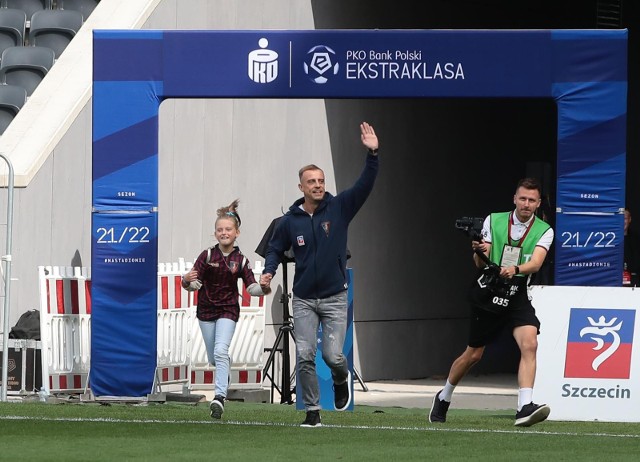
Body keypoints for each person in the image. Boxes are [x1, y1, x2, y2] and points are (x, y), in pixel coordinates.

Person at [260, 122, 380, 428]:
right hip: (302, 299)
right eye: (311, 181)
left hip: (334, 297)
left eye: (321, 180)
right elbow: (274, 249)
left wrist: (373, 153)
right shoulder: (289, 221)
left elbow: (364, 185)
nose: (317, 185)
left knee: (332, 356)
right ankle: (312, 411)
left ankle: (341, 379)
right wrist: (268, 272)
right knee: (304, 355)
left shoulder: (339, 208)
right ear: (300, 186)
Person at [430, 178, 554, 428]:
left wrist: (516, 268)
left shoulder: (545, 230)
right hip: (489, 289)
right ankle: (443, 397)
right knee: (473, 354)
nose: (526, 204)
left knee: (530, 343)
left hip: (517, 290)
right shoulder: (493, 220)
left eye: (532, 200)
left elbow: (537, 263)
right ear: (514, 199)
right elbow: (479, 264)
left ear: (538, 203)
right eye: (523, 198)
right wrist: (479, 250)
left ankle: (524, 407)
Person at [182, 199, 270, 420]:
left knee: (221, 351)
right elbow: (193, 285)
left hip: (228, 311)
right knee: (215, 358)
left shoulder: (241, 260)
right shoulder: (207, 256)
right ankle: (224, 375)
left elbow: (251, 288)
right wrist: (185, 281)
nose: (224, 233)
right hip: (205, 311)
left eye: (228, 229)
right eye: (220, 230)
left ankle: (219, 397)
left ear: (237, 233)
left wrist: (264, 287)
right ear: (215, 233)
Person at [623, 208, 640, 286]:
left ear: (629, 219)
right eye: (620, 218)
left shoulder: (637, 240)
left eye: (625, 218)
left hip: (634, 281)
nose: (622, 222)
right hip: (614, 279)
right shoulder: (608, 240)